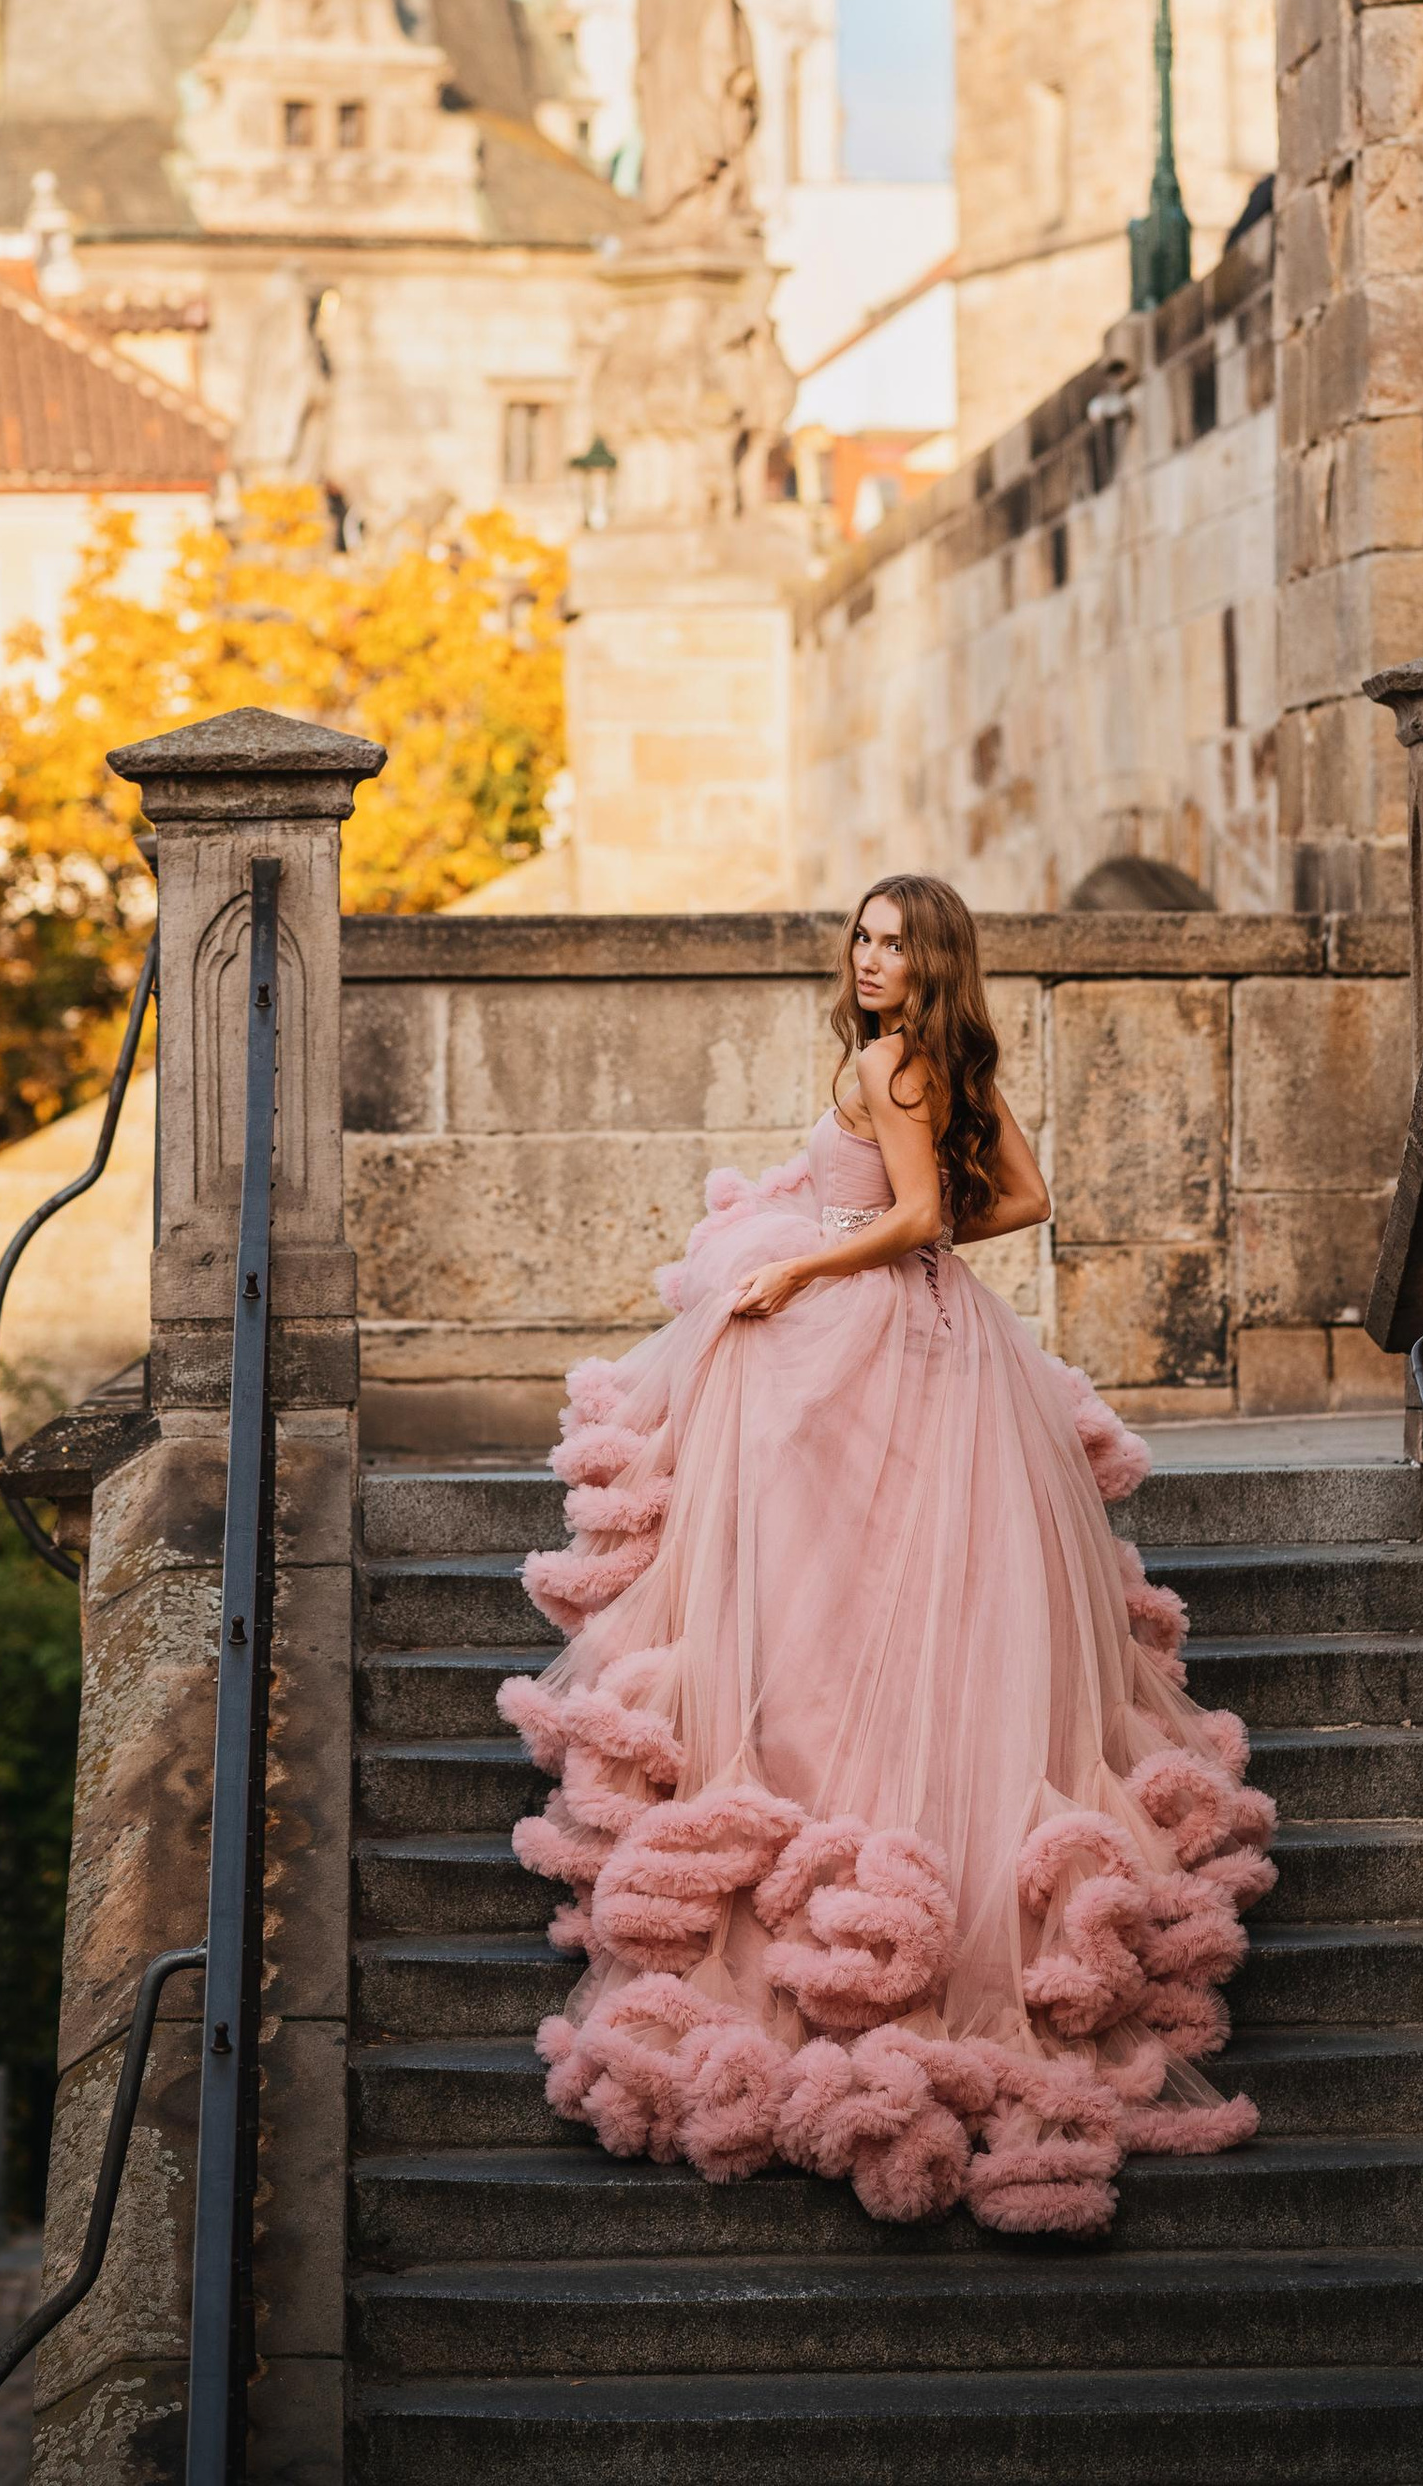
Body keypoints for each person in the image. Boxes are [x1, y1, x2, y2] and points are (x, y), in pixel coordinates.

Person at [501, 873, 1275, 2231]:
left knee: (827, 1596)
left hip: (871, 1332)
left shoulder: (891, 1059)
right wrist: (890, 1243)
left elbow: (930, 1211)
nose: (869, 958)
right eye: (861, 936)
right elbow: (1017, 1194)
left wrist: (810, 1267)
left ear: (932, 960)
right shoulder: (935, 1053)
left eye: (895, 940)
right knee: (889, 1599)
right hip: (930, 1338)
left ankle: (831, 1830)